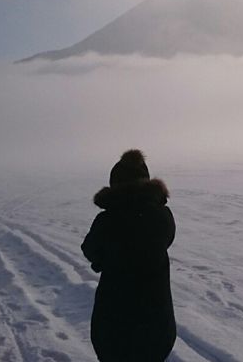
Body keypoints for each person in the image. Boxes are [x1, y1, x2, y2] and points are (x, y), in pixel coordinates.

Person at [82, 149, 176, 361]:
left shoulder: (107, 221)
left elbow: (90, 250)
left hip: (115, 327)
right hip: (158, 325)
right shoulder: (163, 216)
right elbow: (165, 239)